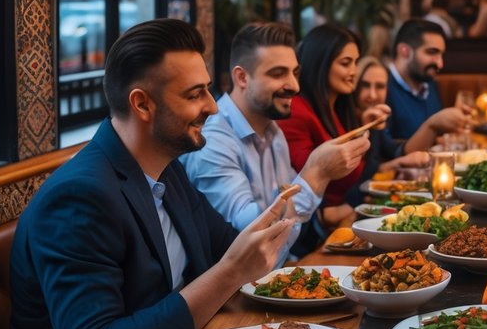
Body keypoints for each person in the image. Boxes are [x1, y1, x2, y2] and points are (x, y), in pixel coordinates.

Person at [8, 19, 307, 329]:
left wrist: (270, 233)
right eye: (195, 95)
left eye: (209, 90)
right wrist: (231, 271)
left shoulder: (169, 170)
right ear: (142, 104)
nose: (212, 106)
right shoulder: (80, 197)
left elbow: (231, 247)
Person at [182, 21, 369, 254]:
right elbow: (251, 238)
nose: (294, 86)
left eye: (295, 73)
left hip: (280, 269)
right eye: (278, 74)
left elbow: (291, 218)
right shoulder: (214, 141)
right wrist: (317, 172)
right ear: (242, 78)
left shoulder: (273, 131)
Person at [279, 23, 371, 236]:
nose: (354, 72)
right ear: (320, 63)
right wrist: (347, 208)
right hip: (315, 233)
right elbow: (305, 184)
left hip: (343, 222)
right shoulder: (298, 111)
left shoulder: (336, 109)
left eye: (356, 63)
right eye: (346, 63)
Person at [385, 18, 472, 141]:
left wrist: (451, 124)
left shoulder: (428, 83)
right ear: (404, 51)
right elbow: (385, 149)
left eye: (441, 54)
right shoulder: (380, 87)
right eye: (432, 52)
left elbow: (434, 137)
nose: (440, 64)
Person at [351, 55, 432, 184]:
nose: (372, 95)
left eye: (379, 86)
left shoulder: (375, 116)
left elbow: (389, 148)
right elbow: (360, 175)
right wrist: (397, 164)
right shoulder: (347, 119)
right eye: (365, 85)